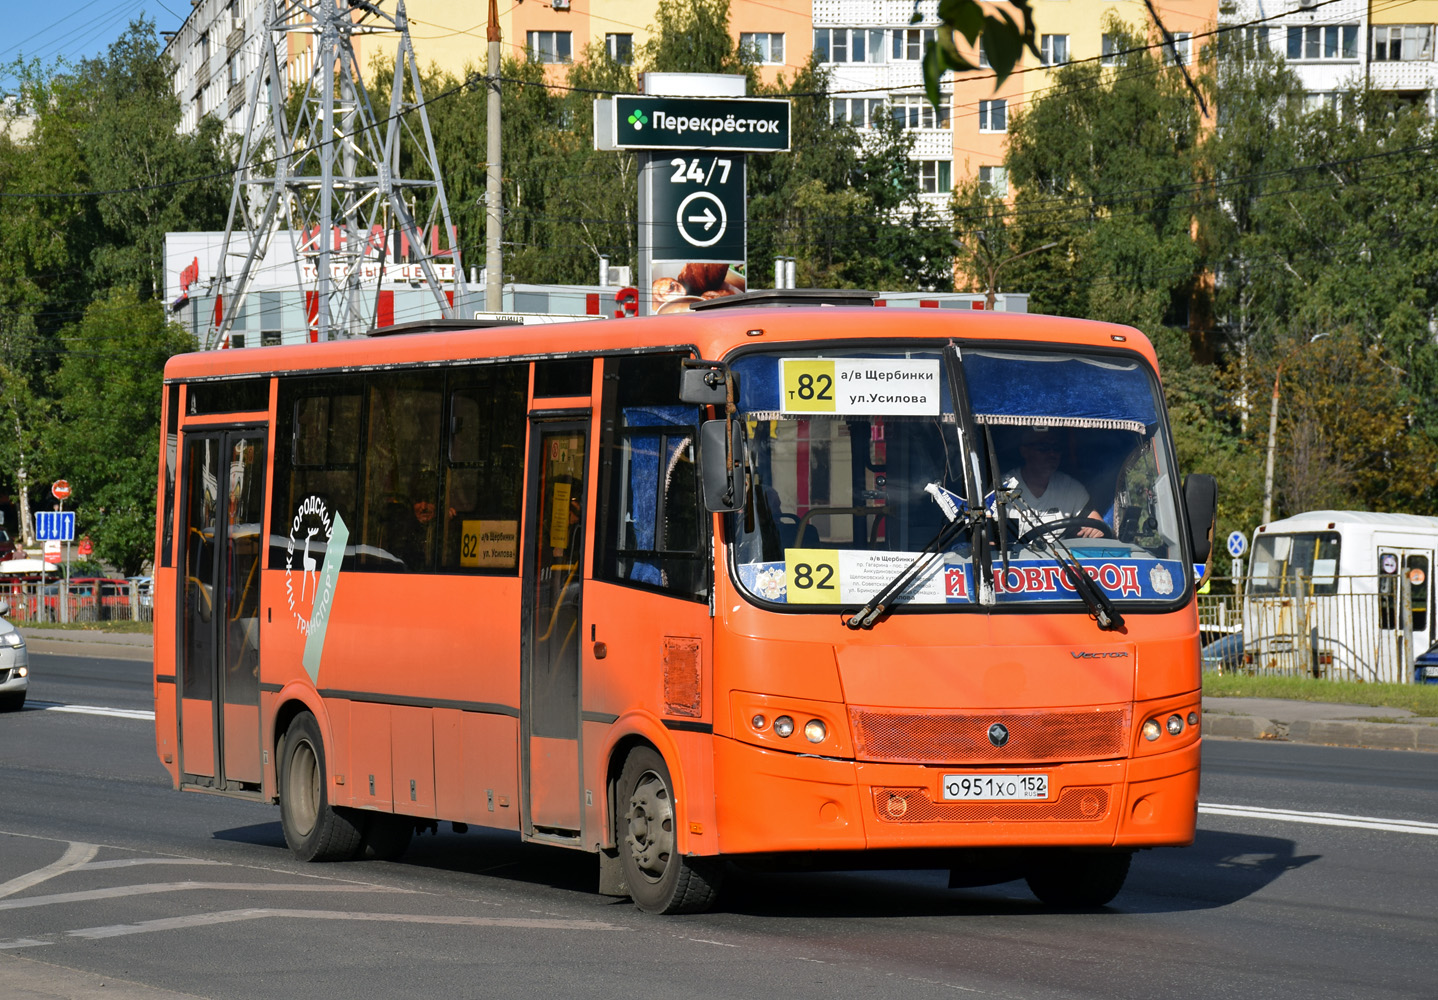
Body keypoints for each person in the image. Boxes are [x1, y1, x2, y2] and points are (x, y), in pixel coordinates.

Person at [1001, 427, 1106, 539]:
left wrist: (1097, 530)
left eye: (1056, 448)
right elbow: (990, 538)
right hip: (1014, 556)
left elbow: (1098, 527)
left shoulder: (1071, 489)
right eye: (1043, 448)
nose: (1052, 454)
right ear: (1024, 451)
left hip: (1061, 556)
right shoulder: (1002, 487)